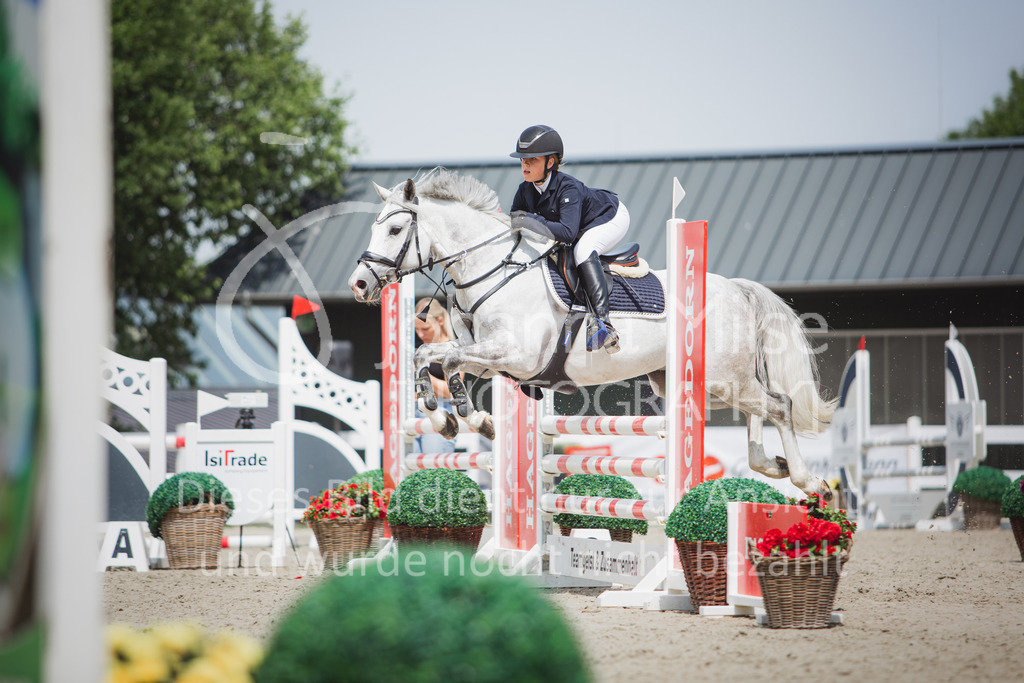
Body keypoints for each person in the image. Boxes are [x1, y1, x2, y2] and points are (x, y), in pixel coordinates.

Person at [508, 124, 629, 353]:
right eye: (523, 160)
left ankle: (604, 323)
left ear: (550, 162)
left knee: (582, 250)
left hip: (610, 217)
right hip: (580, 224)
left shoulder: (568, 188)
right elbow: (516, 223)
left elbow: (567, 233)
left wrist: (528, 221)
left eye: (532, 159)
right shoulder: (525, 190)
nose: (525, 164)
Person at [413, 298, 457, 453]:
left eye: (425, 329)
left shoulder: (453, 349)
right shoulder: (420, 348)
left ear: (439, 321)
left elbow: (451, 392)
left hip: (440, 410)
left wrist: (421, 374)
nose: (420, 334)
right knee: (414, 474)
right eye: (417, 329)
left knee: (434, 472)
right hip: (415, 411)